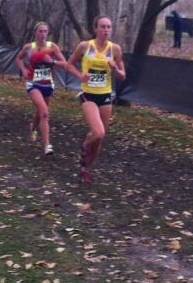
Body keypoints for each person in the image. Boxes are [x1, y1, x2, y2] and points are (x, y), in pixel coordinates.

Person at [65, 15, 126, 184]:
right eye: (103, 26)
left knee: (99, 139)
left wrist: (115, 68)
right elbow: (68, 64)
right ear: (96, 29)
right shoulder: (85, 46)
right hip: (88, 94)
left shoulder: (115, 49)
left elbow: (123, 76)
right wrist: (79, 75)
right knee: (98, 132)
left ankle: (86, 168)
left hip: (105, 95)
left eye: (109, 27)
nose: (106, 30)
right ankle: (85, 145)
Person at [15, 22, 67, 156]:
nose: (43, 34)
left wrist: (53, 62)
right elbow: (18, 59)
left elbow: (65, 63)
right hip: (33, 84)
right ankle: (47, 145)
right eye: (40, 31)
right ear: (35, 33)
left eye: (45, 31)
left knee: (40, 112)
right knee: (44, 112)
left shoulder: (53, 47)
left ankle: (33, 128)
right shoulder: (29, 47)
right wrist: (23, 69)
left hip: (48, 85)